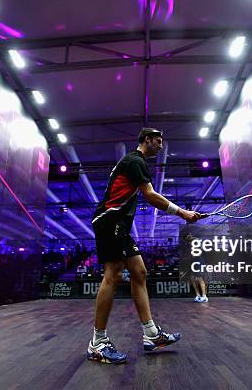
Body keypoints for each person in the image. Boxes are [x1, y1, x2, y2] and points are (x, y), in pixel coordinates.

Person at [86, 128, 202, 364]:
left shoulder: (134, 162)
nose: (161, 146)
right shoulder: (135, 160)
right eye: (158, 141)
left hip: (119, 224)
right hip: (109, 220)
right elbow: (150, 195)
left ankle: (151, 335)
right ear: (147, 139)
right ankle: (97, 343)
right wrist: (182, 213)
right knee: (113, 274)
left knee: (139, 271)